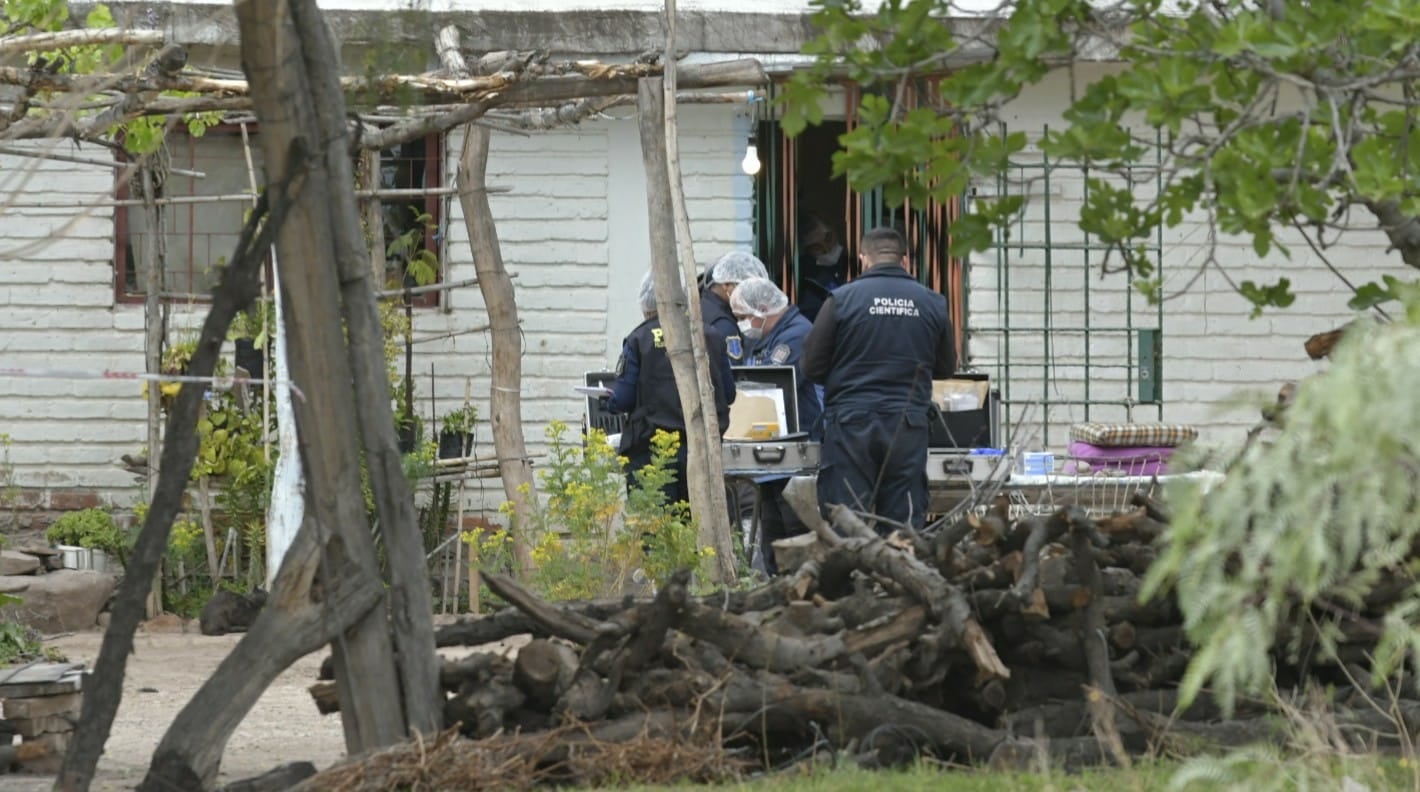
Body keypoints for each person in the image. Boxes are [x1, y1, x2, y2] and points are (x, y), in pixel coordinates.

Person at [802, 226, 955, 534]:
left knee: (848, 521)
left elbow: (811, 366)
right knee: (903, 525)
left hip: (851, 425)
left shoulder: (841, 300)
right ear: (906, 260)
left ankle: (850, 581)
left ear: (863, 259)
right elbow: (946, 367)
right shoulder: (932, 303)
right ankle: (900, 580)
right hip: (907, 425)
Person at [608, 270, 735, 506]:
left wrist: (610, 399)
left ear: (646, 304)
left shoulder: (640, 338)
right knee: (699, 527)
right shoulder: (711, 335)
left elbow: (623, 399)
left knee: (655, 531)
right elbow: (729, 394)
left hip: (652, 454)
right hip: (702, 450)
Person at [730, 277, 824, 575]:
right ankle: (777, 587)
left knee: (793, 528)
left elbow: (773, 381)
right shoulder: (767, 338)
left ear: (763, 309)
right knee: (772, 528)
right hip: (772, 453)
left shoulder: (796, 336)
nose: (743, 324)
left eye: (744, 317)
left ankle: (800, 590)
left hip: (795, 450)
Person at [700, 251, 770, 365]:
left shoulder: (702, 307)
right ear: (726, 285)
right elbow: (735, 375)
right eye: (746, 287)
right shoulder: (724, 325)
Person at [795, 217, 850, 322]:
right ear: (808, 250)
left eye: (828, 239)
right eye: (817, 247)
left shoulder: (853, 264)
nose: (826, 249)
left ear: (835, 234)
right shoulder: (799, 272)